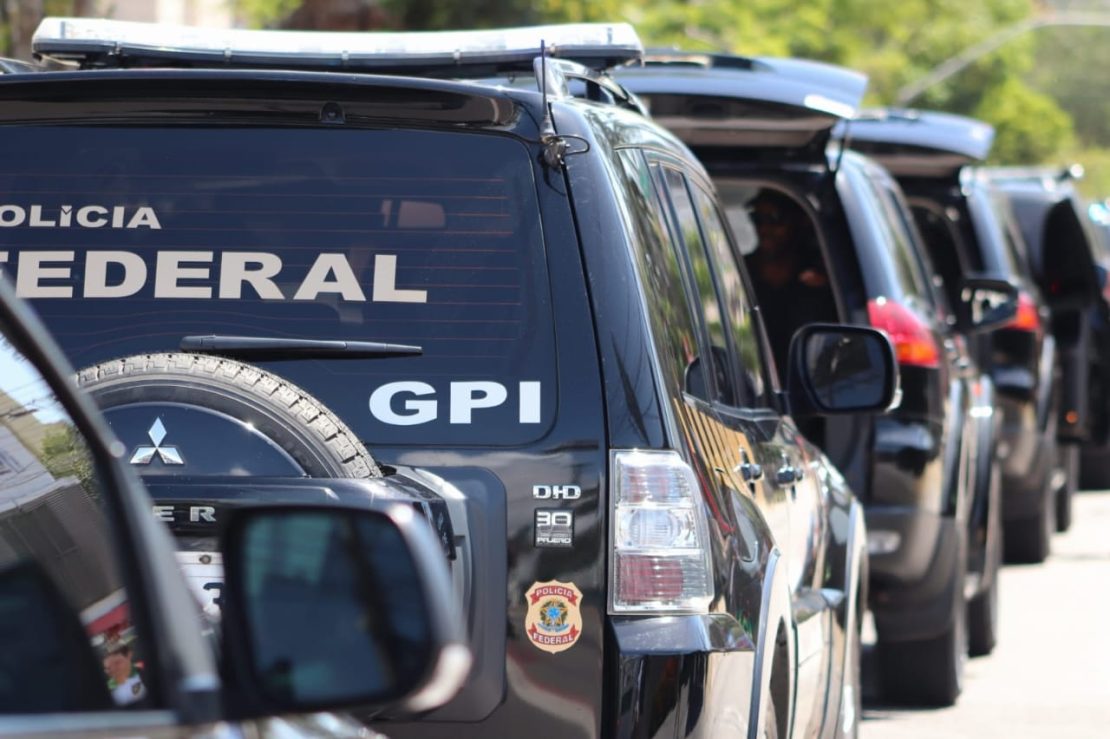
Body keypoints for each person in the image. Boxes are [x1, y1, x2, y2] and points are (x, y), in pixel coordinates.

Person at [743, 189, 838, 371]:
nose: (764, 229)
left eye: (775, 218)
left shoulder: (825, 281)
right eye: (757, 218)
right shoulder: (740, 273)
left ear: (801, 221)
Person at [102, 640, 146, 706]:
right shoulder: (110, 688)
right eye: (108, 668)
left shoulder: (140, 682)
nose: (113, 669)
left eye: (117, 663)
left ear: (129, 655)